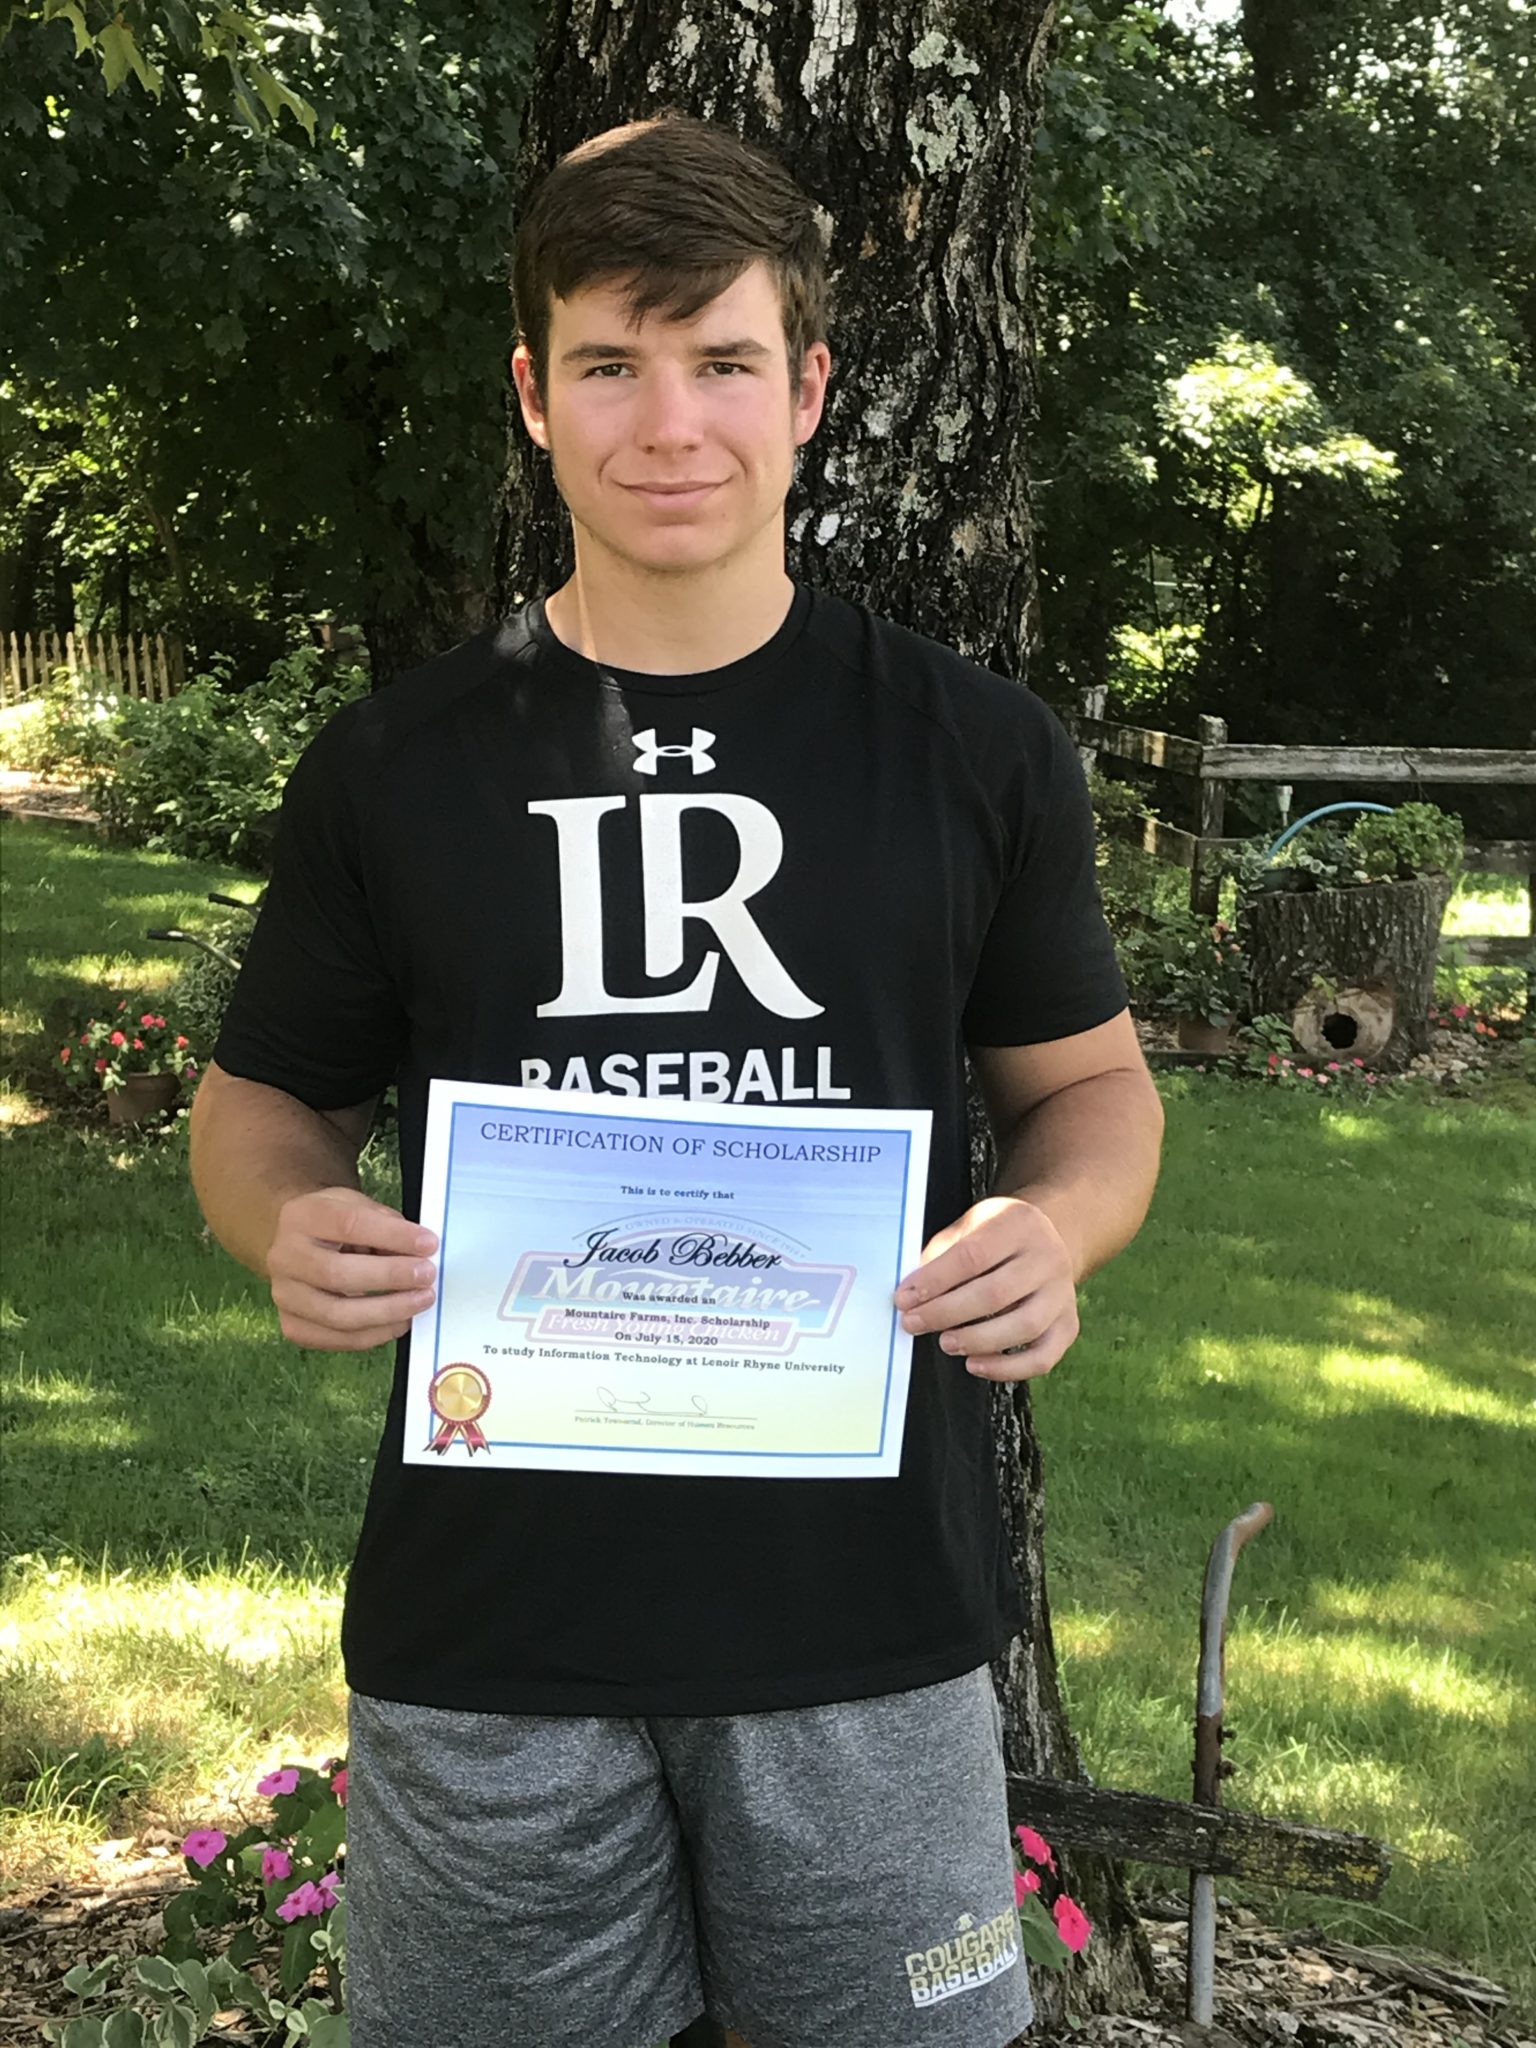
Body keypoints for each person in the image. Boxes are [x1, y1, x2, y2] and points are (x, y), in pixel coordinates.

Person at [190, 114, 1163, 2048]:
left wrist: (1058, 1232)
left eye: (722, 361)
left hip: (865, 1621)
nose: (669, 426)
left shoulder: (973, 750)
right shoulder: (397, 765)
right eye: (609, 365)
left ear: (807, 390)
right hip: (494, 1629)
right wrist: (281, 1218)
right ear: (531, 395)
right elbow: (262, 1107)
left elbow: (1096, 1096)